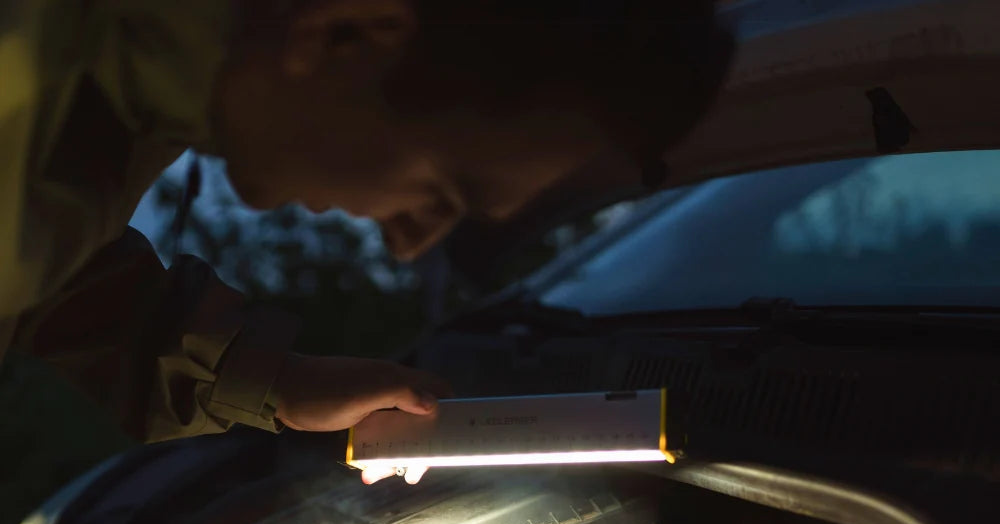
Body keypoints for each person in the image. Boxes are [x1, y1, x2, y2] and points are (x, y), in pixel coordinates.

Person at [0, 0, 731, 481]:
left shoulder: (118, 90)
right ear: (345, 32)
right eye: (443, 189)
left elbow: (49, 271)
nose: (410, 244)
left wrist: (280, 384)